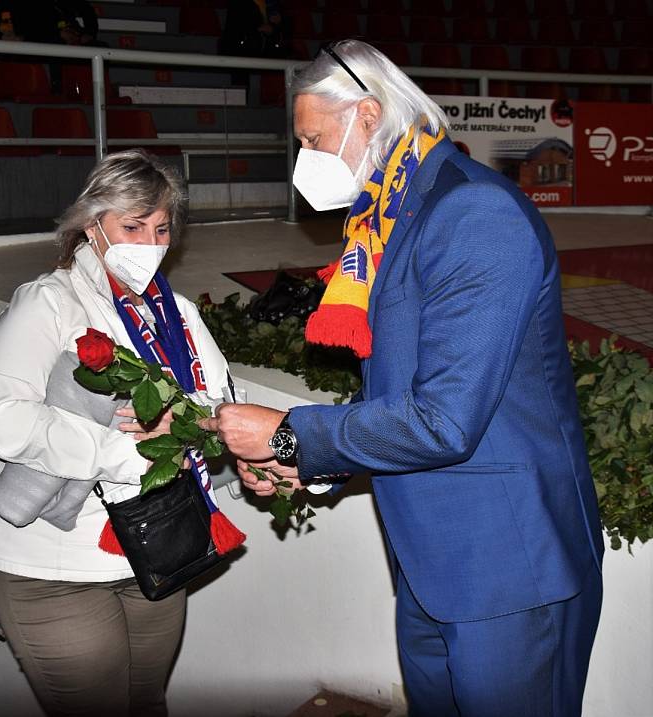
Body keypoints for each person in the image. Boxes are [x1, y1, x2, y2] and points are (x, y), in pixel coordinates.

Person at [203, 40, 604, 717]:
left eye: (314, 139)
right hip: (433, 562)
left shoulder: (473, 214)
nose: (308, 161)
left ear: (367, 113)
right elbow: (405, 389)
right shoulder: (392, 216)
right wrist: (312, 465)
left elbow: (445, 418)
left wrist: (292, 432)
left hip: (507, 568)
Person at [0, 149, 233, 717]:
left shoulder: (178, 314)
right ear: (92, 226)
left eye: (162, 228)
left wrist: (189, 424)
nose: (150, 242)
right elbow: (3, 420)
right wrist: (118, 452)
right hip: (55, 566)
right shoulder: (48, 302)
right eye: (132, 226)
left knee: (147, 704)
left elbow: (221, 405)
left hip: (155, 549)